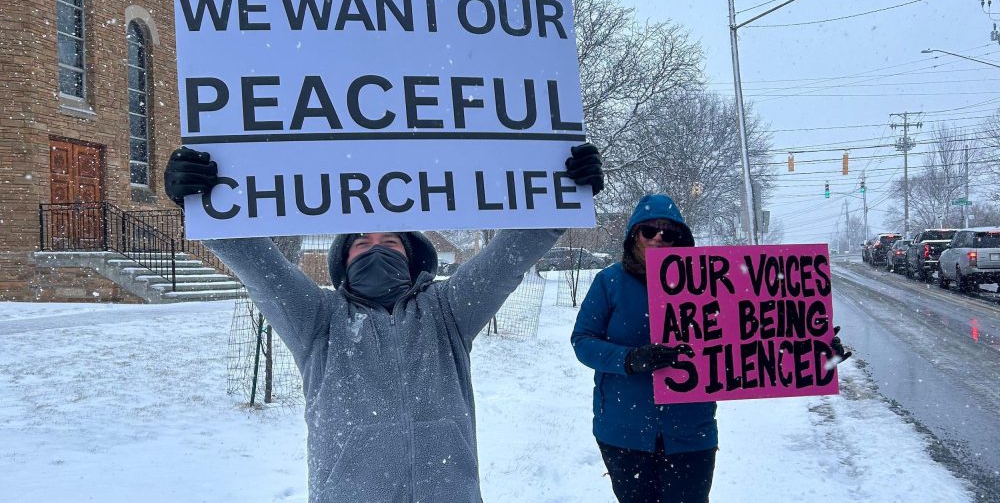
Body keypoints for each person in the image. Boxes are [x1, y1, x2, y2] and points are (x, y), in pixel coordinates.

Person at [163, 143, 604, 503]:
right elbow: (261, 268)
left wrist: (563, 193)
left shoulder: (447, 311)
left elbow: (507, 259)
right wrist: (200, 203)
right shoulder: (318, 319)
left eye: (390, 241)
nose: (375, 248)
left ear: (412, 259)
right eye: (361, 243)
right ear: (343, 261)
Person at [571, 194, 850, 503]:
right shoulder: (610, 282)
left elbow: (754, 335)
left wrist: (811, 349)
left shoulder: (711, 284)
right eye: (649, 231)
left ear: (681, 240)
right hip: (624, 429)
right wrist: (630, 359)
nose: (658, 238)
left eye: (668, 233)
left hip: (691, 430)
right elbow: (583, 341)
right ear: (634, 236)